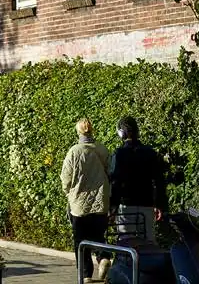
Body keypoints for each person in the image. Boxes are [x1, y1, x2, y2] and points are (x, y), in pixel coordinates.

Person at [61, 118, 111, 282]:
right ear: (92, 130)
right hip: (100, 202)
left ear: (78, 132)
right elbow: (111, 173)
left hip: (79, 205)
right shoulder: (102, 150)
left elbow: (66, 179)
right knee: (98, 235)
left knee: (80, 241)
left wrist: (69, 194)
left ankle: (86, 275)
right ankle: (103, 257)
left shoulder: (74, 152)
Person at [109, 116, 168, 243]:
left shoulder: (119, 154)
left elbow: (115, 182)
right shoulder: (150, 153)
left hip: (126, 205)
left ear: (121, 133)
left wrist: (112, 205)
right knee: (148, 242)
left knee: (126, 241)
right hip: (146, 204)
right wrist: (159, 204)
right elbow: (159, 180)